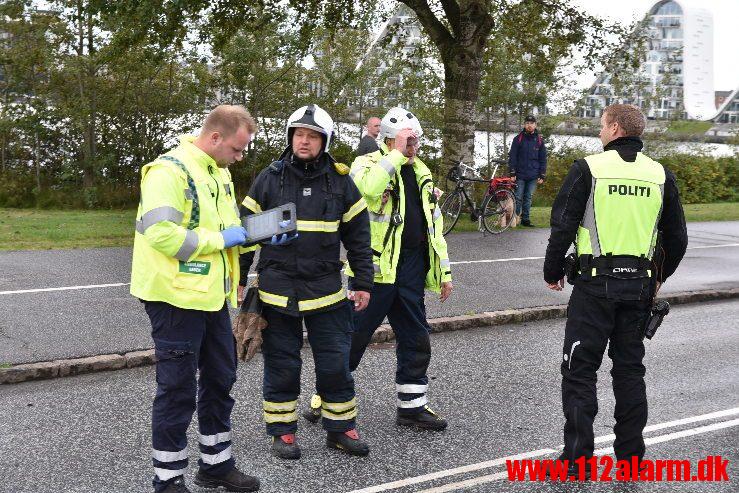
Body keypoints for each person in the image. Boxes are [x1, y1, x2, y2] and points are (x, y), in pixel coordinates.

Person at [543, 104, 688, 473]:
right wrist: (657, 278)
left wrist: (553, 270)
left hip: (594, 287)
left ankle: (577, 461)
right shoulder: (660, 175)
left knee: (579, 370)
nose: (599, 132)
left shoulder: (589, 168)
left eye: (602, 125)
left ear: (615, 128)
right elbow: (678, 238)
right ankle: (631, 459)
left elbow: (563, 224)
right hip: (638, 288)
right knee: (629, 371)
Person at [130, 105, 261, 493]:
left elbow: (224, 229)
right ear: (216, 137)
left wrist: (254, 234)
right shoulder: (169, 171)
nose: (240, 157)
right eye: (238, 149)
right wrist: (224, 239)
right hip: (173, 299)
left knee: (222, 378)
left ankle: (216, 465)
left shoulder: (217, 172)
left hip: (210, 298)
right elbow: (163, 235)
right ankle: (168, 480)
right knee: (178, 389)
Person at [304, 107, 453, 430]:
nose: (413, 147)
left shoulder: (422, 172)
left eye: (415, 142)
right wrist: (396, 156)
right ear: (388, 139)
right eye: (407, 141)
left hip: (411, 268)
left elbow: (433, 226)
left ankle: (412, 407)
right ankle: (326, 396)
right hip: (374, 271)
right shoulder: (368, 164)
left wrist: (445, 272)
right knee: (353, 338)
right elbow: (366, 190)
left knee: (416, 337)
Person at [239, 104, 374, 460]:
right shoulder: (269, 178)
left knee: (335, 364)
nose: (304, 141)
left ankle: (341, 429)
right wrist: (239, 277)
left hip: (326, 291)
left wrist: (364, 282)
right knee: (282, 364)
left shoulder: (342, 181)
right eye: (299, 134)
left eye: (312, 136)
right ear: (290, 137)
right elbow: (245, 232)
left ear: (324, 141)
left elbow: (359, 237)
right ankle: (282, 433)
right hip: (277, 291)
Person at [508, 115, 547, 227]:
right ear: (524, 125)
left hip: (533, 175)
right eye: (527, 123)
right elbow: (513, 157)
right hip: (519, 174)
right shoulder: (518, 139)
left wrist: (542, 174)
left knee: (528, 197)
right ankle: (514, 219)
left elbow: (543, 159)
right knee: (518, 197)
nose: (529, 125)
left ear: (535, 125)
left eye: (531, 123)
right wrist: (512, 172)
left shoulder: (539, 140)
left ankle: (525, 220)